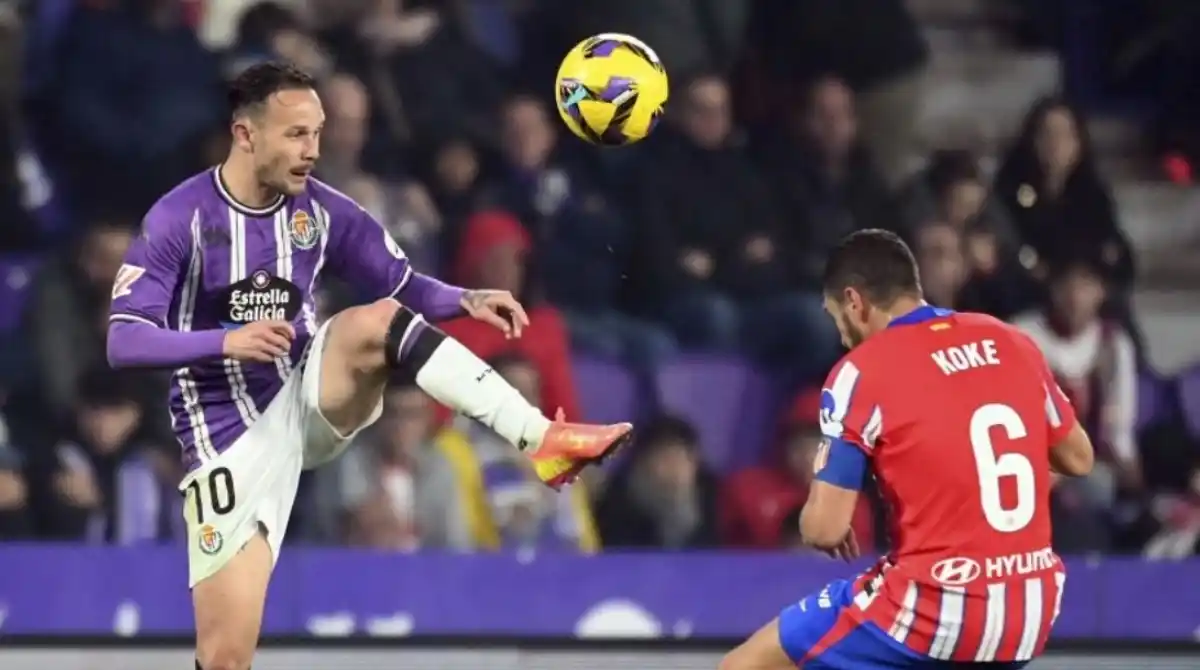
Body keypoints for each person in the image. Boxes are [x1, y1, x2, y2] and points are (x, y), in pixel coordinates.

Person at [104, 62, 632, 670]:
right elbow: (126, 340)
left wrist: (463, 299)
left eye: (318, 133)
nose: (313, 151)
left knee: (375, 320)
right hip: (226, 438)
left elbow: (403, 284)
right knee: (225, 656)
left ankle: (543, 437)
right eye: (296, 135)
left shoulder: (322, 211)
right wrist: (224, 342)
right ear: (245, 136)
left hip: (309, 393)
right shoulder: (180, 219)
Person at [720, 229, 1095, 670]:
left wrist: (822, 505)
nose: (842, 337)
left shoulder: (862, 369)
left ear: (855, 302)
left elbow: (822, 529)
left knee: (744, 667)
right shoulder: (1011, 341)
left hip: (934, 608)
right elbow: (1078, 457)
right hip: (1029, 610)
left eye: (836, 317)